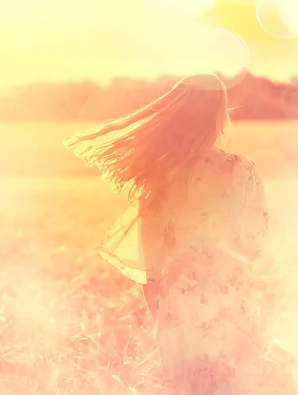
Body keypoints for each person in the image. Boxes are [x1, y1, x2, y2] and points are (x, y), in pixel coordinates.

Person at [64, 74, 269, 394]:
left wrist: (161, 311)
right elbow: (255, 244)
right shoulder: (241, 171)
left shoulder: (164, 175)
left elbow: (151, 261)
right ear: (219, 115)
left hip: (179, 305)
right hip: (231, 302)